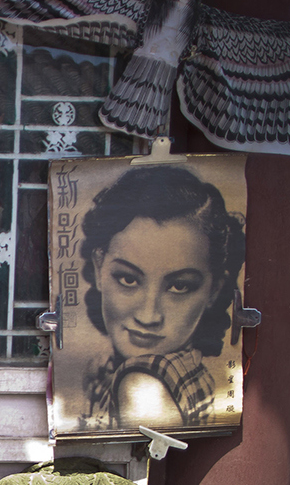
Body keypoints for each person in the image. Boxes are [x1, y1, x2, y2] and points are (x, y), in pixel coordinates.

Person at [79, 166, 245, 428]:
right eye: (129, 279)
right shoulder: (112, 369)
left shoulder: (142, 384)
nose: (148, 316)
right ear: (99, 268)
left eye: (179, 286)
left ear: (214, 289)